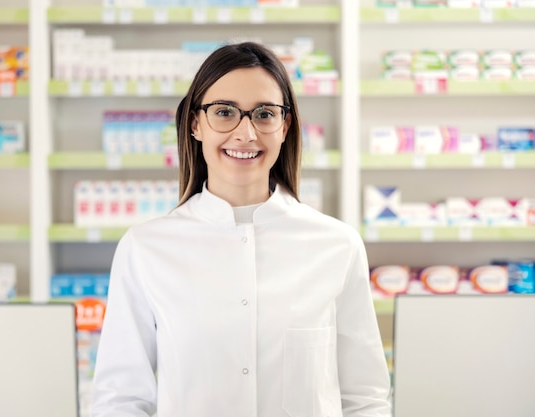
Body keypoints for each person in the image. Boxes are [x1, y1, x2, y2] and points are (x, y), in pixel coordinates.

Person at [92, 41, 392, 417]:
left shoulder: (337, 245)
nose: (246, 133)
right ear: (195, 124)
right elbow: (120, 400)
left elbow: (364, 398)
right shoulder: (146, 247)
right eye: (224, 112)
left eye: (264, 114)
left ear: (285, 127)